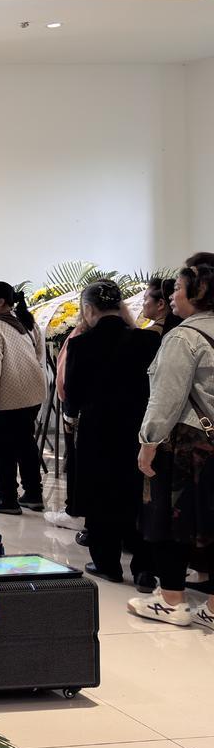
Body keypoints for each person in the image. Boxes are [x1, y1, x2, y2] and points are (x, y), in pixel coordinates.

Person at [131, 262, 214, 627]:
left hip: (187, 443)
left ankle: (171, 601)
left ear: (199, 292)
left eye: (178, 288)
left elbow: (166, 397)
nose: (172, 295)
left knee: (168, 519)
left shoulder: (183, 338)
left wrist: (148, 441)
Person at [62, 280, 160, 586]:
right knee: (138, 495)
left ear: (88, 309)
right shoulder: (147, 340)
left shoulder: (81, 344)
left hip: (98, 429)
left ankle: (107, 564)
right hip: (137, 427)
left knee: (100, 494)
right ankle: (144, 569)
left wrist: (73, 414)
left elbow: (73, 394)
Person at [0, 281, 47, 515]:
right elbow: (38, 356)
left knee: (2, 450)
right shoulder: (25, 322)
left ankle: (7, 498)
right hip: (31, 396)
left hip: (6, 400)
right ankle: (33, 494)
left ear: (0, 302)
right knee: (26, 445)